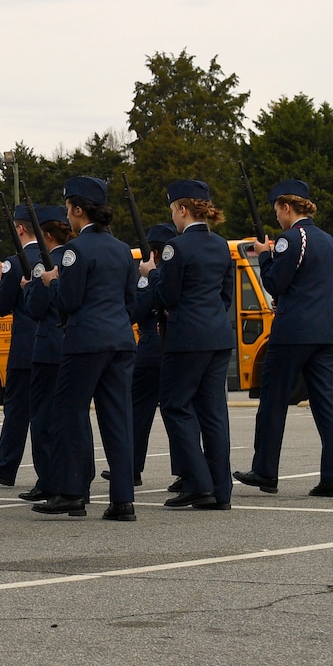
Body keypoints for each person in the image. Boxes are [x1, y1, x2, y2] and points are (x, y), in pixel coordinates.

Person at [34, 177, 139, 521]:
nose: (67, 217)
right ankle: (122, 500)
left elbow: (69, 300)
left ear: (79, 210)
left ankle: (73, 491)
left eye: (68, 210)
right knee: (117, 419)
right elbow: (130, 300)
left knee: (70, 414)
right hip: (120, 340)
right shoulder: (123, 249)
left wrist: (52, 284)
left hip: (85, 342)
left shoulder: (76, 251)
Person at [234, 180, 333, 498]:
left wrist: (265, 255)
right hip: (326, 330)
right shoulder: (327, 240)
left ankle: (266, 470)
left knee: (273, 400)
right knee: (328, 404)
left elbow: (275, 282)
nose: (277, 217)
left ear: (286, 207)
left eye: (277, 211)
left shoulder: (288, 240)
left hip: (293, 332)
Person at [153, 181, 234, 510]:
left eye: (173, 210)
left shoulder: (176, 248)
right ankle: (220, 489)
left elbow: (168, 294)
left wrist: (154, 279)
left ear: (182, 209)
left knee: (175, 405)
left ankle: (198, 483)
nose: (172, 217)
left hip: (187, 337)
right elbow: (226, 295)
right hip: (217, 334)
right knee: (213, 413)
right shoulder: (221, 246)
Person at [16, 207, 70, 502]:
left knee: (43, 418)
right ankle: (75, 479)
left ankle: (49, 481)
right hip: (71, 346)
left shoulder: (43, 265)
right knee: (71, 418)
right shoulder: (74, 258)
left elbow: (35, 309)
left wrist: (27, 288)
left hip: (48, 347)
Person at [0, 204, 41, 490]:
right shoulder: (52, 256)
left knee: (17, 410)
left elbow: (1, 305)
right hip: (52, 344)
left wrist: (0, 282)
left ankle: (6, 465)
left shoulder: (14, 261)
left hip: (24, 347)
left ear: (19, 228)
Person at [128, 222, 177, 491]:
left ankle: (131, 467)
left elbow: (137, 309)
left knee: (139, 412)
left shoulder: (152, 275)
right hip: (170, 347)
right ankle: (184, 470)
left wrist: (146, 279)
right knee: (176, 411)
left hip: (150, 349)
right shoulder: (178, 270)